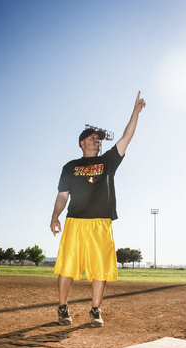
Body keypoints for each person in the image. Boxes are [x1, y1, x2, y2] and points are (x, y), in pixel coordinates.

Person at [50, 91, 146, 327]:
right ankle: (63, 308)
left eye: (99, 138)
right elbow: (63, 195)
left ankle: (95, 309)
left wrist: (135, 112)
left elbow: (126, 137)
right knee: (67, 267)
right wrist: (55, 216)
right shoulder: (70, 166)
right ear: (82, 143)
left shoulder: (108, 161)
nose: (97, 140)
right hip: (75, 221)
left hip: (101, 223)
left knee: (100, 270)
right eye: (92, 138)